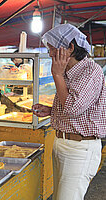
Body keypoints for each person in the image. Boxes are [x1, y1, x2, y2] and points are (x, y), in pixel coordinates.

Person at [32, 24, 105, 200]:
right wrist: (52, 111)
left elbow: (73, 108)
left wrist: (56, 75)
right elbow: (78, 108)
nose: (50, 54)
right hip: (62, 144)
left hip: (80, 149)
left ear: (70, 48)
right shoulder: (68, 71)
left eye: (52, 49)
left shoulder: (90, 70)